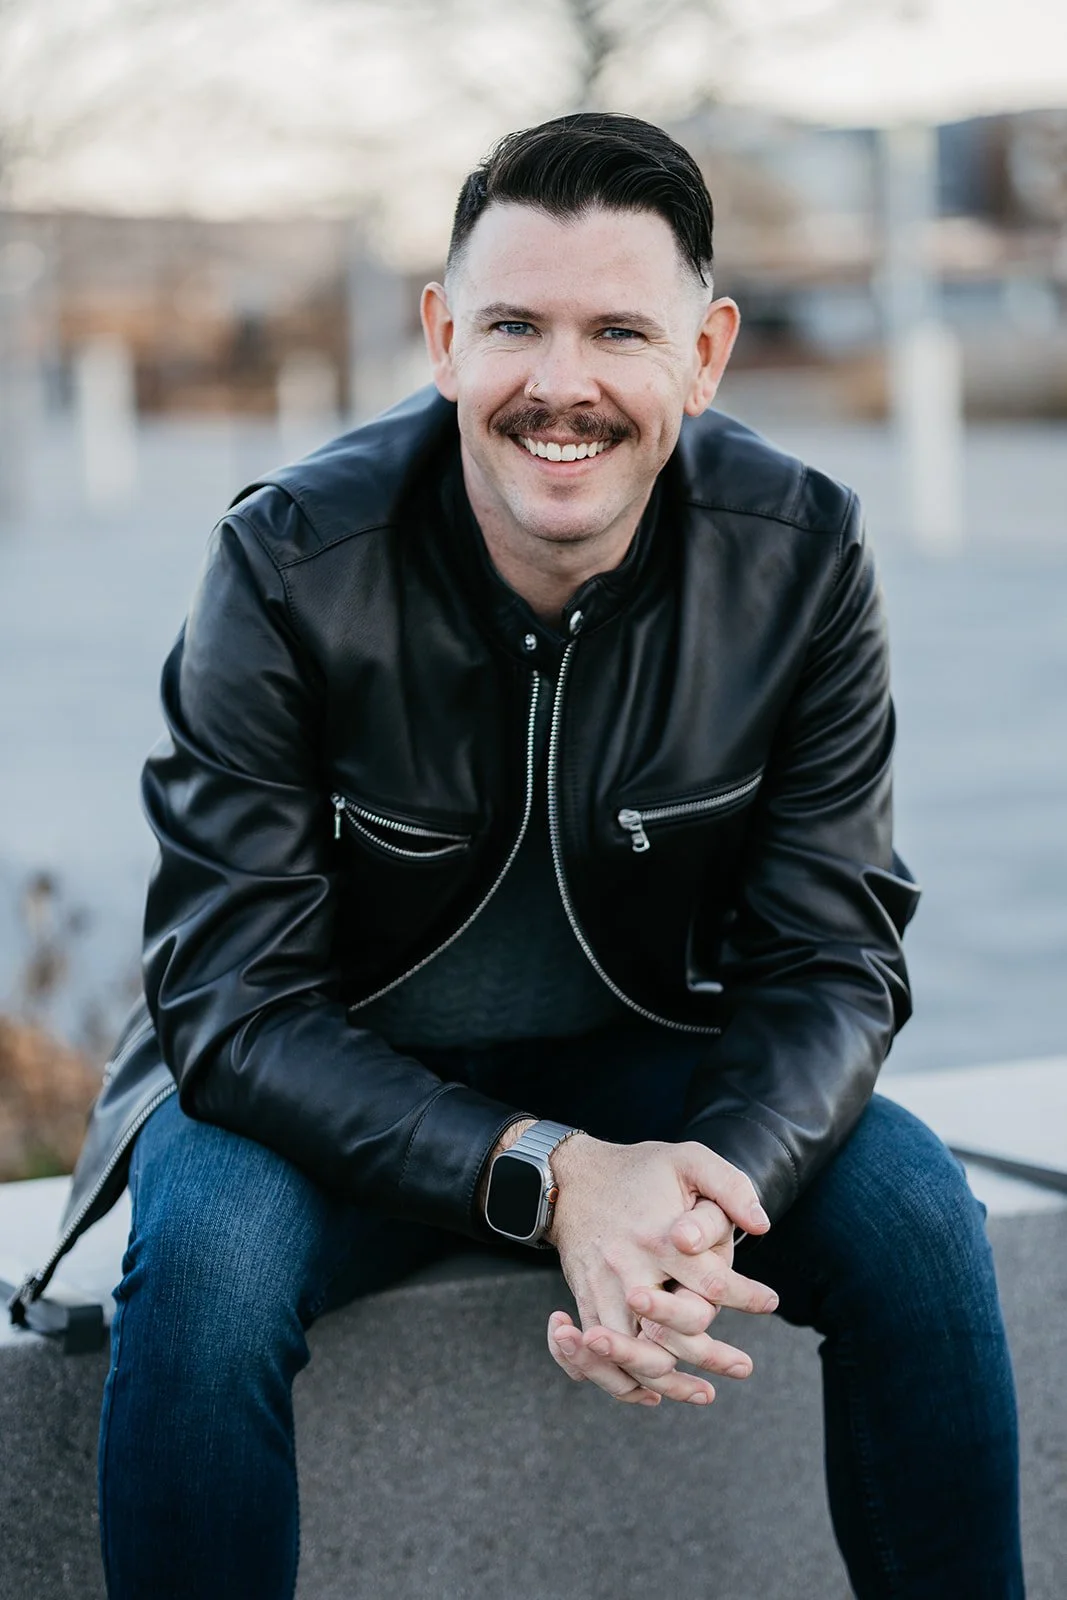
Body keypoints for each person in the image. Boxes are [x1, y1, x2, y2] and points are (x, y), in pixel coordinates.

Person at [34, 112, 1022, 1597]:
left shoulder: (800, 552)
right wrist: (553, 1182)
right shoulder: (290, 562)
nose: (559, 386)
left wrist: (693, 1198)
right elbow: (230, 1009)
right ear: (441, 335)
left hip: (650, 1069)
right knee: (211, 1268)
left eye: (619, 329)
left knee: (914, 1216)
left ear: (705, 353)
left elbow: (831, 956)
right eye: (514, 325)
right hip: (323, 1100)